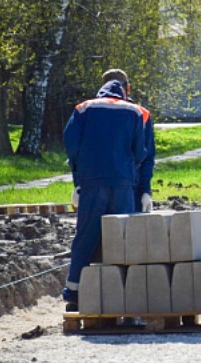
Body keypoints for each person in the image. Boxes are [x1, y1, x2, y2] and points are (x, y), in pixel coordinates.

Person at [63, 78, 146, 311]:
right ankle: (124, 295)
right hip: (122, 184)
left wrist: (78, 179)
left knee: (85, 238)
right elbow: (140, 151)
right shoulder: (134, 111)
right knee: (123, 239)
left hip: (92, 183)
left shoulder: (84, 108)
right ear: (123, 92)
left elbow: (71, 144)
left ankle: (75, 294)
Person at [101, 69, 154, 213]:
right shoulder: (141, 113)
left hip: (97, 184)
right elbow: (147, 156)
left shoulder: (92, 111)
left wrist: (79, 185)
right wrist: (146, 191)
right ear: (128, 88)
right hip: (130, 185)